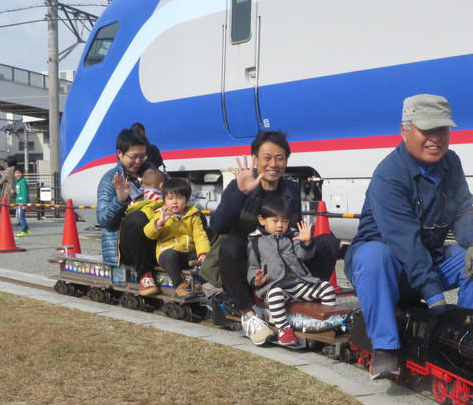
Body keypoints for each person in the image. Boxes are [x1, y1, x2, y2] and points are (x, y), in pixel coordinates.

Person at [344, 94, 473, 380]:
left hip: (426, 259)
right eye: (426, 130)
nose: (436, 139)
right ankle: (385, 349)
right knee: (373, 255)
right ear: (404, 130)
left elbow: (464, 211)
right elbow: (403, 242)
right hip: (389, 266)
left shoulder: (451, 163)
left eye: (442, 130)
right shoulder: (388, 174)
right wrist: (435, 298)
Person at [201, 130, 339, 345]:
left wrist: (306, 241)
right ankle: (248, 314)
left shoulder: (290, 189)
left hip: (281, 262)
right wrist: (242, 193)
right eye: (267, 158)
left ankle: (303, 296)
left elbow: (293, 231)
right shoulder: (239, 185)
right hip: (248, 263)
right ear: (255, 159)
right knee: (230, 245)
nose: (273, 164)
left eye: (280, 158)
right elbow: (218, 225)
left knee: (328, 241)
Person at [247, 196, 337, 346]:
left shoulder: (293, 235)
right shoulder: (255, 242)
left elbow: (304, 255)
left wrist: (306, 242)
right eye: (275, 221)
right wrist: (256, 281)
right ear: (262, 220)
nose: (280, 225)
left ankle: (325, 323)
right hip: (276, 287)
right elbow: (252, 266)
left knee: (327, 288)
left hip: (300, 283)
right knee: (275, 296)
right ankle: (284, 329)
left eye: (284, 221)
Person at [96, 127, 159, 295]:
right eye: (133, 157)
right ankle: (144, 275)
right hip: (125, 245)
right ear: (119, 153)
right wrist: (120, 200)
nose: (138, 161)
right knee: (137, 217)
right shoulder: (111, 179)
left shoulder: (153, 174)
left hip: (154, 238)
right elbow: (102, 219)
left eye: (142, 156)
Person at [143, 177, 210, 298]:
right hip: (168, 252)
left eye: (179, 198)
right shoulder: (160, 214)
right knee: (169, 255)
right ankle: (180, 285)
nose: (174, 202)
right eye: (170, 198)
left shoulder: (193, 215)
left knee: (212, 255)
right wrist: (159, 223)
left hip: (188, 252)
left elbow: (200, 235)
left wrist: (203, 253)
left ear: (187, 199)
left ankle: (212, 283)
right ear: (164, 200)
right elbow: (148, 233)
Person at [13, 166, 30, 237]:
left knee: (21, 217)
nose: (17, 174)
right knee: (20, 216)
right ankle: (27, 229)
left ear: (22, 173)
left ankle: (23, 230)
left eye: (19, 173)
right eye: (16, 173)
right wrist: (13, 192)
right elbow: (18, 192)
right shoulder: (18, 182)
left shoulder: (22, 182)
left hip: (22, 202)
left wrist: (24, 203)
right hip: (18, 202)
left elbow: (24, 193)